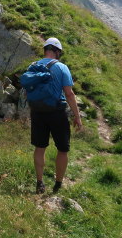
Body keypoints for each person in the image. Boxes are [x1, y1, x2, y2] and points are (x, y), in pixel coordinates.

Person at [31, 37, 83, 194]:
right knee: (62, 149)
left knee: (40, 148)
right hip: (57, 113)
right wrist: (77, 116)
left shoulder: (33, 66)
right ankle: (58, 183)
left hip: (37, 112)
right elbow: (69, 94)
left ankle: (40, 183)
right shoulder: (61, 67)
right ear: (56, 51)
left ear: (45, 49)